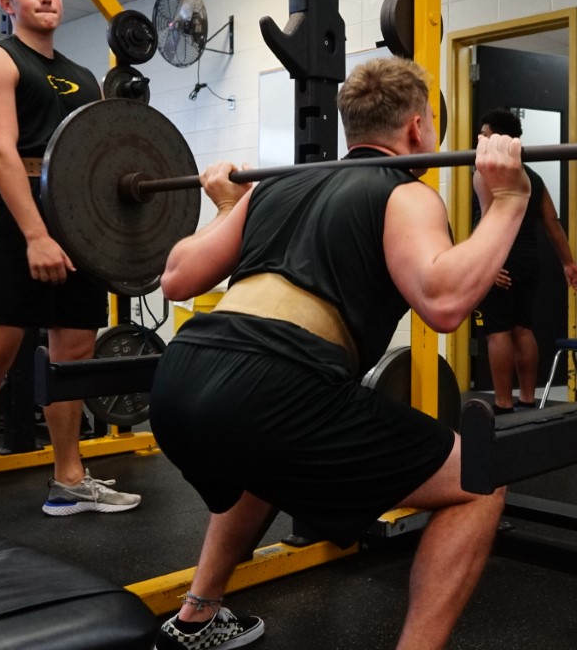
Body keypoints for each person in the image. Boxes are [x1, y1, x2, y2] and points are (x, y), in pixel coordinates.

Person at [149, 56, 528, 650]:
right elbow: (445, 301)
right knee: (481, 477)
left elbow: (174, 278)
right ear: (417, 130)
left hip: (178, 380)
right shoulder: (405, 191)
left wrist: (226, 205)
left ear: (350, 128)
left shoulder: (274, 185)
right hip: (276, 388)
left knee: (261, 461)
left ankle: (197, 615)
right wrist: (506, 200)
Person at [0, 0, 140, 516]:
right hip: (17, 221)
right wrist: (34, 235)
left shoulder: (82, 77)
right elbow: (0, 152)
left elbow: (98, 161)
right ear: (9, 5)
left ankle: (69, 478)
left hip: (77, 223)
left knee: (72, 357)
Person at [471, 108, 577, 413]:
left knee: (498, 332)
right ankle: (526, 397)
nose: (479, 140)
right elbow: (552, 222)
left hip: (502, 261)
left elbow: (487, 223)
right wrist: (567, 263)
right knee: (523, 328)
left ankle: (503, 403)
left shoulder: (485, 173)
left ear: (497, 139)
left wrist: (489, 263)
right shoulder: (532, 177)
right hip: (528, 262)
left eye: (484, 135)